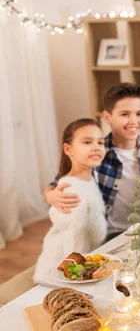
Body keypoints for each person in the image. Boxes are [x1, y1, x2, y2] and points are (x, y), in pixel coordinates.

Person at [43, 83, 140, 241]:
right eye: (125, 114)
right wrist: (50, 195)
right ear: (107, 117)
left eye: (139, 113)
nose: (134, 121)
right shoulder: (96, 153)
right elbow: (58, 182)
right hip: (112, 235)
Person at [33, 119, 107, 283]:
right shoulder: (71, 190)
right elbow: (75, 245)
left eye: (100, 142)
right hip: (61, 277)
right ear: (68, 149)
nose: (96, 147)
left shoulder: (89, 177)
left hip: (87, 264)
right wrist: (83, 279)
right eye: (87, 142)